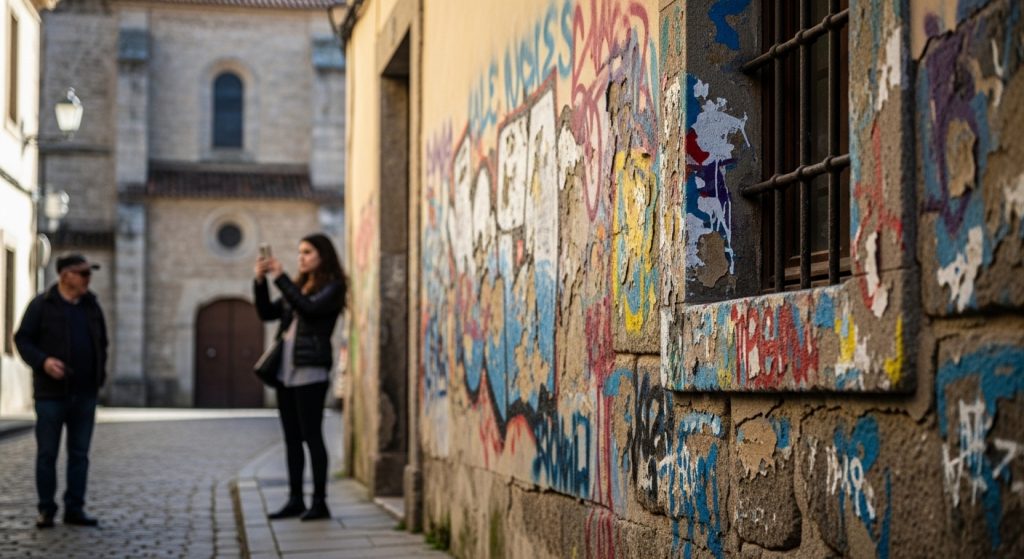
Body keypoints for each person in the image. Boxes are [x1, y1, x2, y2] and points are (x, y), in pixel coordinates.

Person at [253, 233, 346, 521]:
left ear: (323, 255)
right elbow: (267, 312)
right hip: (286, 372)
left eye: (307, 252)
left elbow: (310, 309)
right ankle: (295, 499)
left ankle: (320, 502)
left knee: (312, 436)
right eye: (299, 252)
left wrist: (281, 279)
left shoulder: (334, 286)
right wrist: (260, 281)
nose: (301, 257)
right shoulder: (298, 286)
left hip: (311, 371)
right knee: (292, 438)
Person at [14, 254, 108, 529]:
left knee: (80, 454)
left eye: (89, 274)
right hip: (50, 394)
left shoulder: (92, 306)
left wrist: (98, 378)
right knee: (47, 454)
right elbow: (22, 339)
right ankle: (46, 509)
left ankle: (74, 508)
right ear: (65, 275)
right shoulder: (42, 305)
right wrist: (43, 361)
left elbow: (102, 343)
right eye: (82, 273)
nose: (87, 279)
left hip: (85, 394)